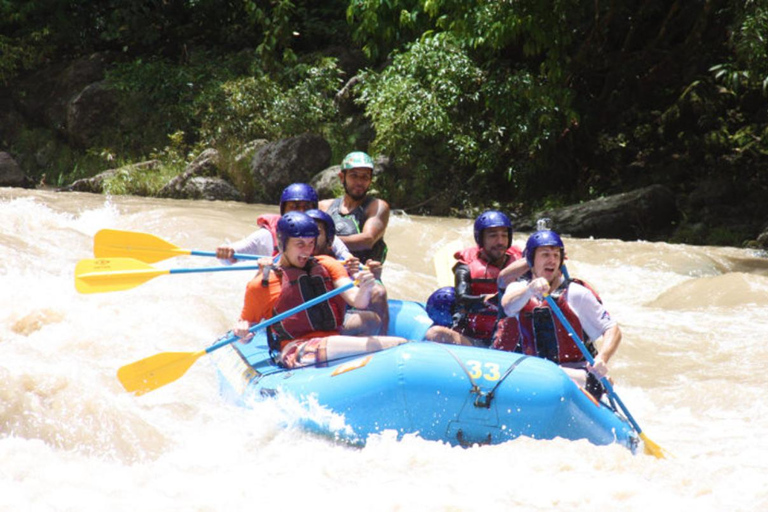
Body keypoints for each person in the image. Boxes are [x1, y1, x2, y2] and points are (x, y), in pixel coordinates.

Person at [233, 211, 407, 369]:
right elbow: (245, 335)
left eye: (310, 243)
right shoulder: (261, 285)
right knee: (328, 344)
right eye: (299, 244)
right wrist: (242, 331)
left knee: (363, 325)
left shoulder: (326, 264)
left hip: (333, 340)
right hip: (296, 350)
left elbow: (357, 301)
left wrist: (365, 287)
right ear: (281, 241)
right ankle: (389, 349)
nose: (307, 251)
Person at [495, 229, 622, 399]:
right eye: (545, 255)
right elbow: (508, 306)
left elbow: (612, 328)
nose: (552, 260)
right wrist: (530, 290)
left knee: (551, 374)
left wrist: (602, 358)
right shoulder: (519, 289)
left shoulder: (576, 293)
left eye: (556, 255)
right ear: (531, 260)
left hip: (576, 373)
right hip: (535, 371)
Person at [320, 151, 390, 333]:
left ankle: (384, 339)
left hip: (363, 273)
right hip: (330, 273)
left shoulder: (377, 207)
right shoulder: (324, 207)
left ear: (370, 180)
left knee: (378, 293)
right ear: (342, 177)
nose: (359, 182)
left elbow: (367, 240)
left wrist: (327, 241)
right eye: (354, 176)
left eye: (365, 177)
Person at [216, 183, 351, 263]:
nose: (301, 213)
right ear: (283, 210)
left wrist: (351, 264)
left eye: (307, 207)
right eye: (294, 207)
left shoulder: (324, 235)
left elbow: (347, 258)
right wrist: (228, 251)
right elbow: (230, 256)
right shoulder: (267, 236)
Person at [450, 210, 528, 347]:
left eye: (504, 236)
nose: (500, 242)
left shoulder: (521, 264)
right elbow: (461, 299)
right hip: (475, 338)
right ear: (480, 239)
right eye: (493, 236)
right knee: (436, 332)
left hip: (513, 340)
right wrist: (487, 300)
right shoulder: (465, 267)